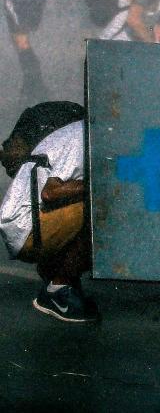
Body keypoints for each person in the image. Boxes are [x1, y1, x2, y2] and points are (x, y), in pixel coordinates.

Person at [0, 102, 97, 323]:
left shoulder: (76, 130)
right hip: (26, 228)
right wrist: (99, 184)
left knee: (90, 197)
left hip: (24, 224)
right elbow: (50, 194)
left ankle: (56, 273)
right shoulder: (81, 135)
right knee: (100, 207)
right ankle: (59, 287)